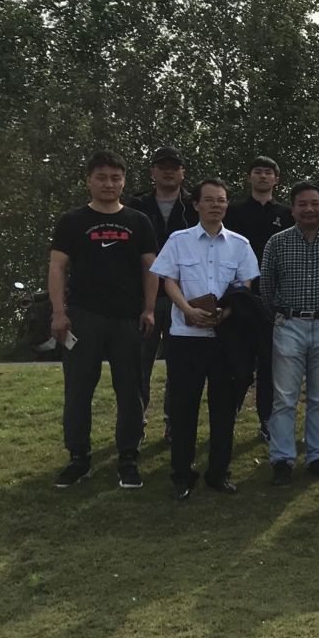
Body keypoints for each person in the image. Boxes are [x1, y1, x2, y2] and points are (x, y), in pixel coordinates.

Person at [48, 150, 158, 489]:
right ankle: (78, 458)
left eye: (115, 178)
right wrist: (58, 312)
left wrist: (149, 308)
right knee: (78, 389)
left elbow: (151, 268)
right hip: (83, 317)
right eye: (101, 178)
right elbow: (57, 267)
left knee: (130, 390)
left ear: (123, 182)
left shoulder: (139, 221)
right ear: (89, 181)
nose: (108, 184)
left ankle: (128, 458)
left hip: (128, 317)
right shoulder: (72, 221)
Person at [151, 177, 260, 499]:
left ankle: (218, 473)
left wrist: (226, 311)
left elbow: (244, 285)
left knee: (224, 409)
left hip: (224, 337)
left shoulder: (240, 244)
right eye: (209, 200)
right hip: (186, 337)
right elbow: (168, 280)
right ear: (196, 204)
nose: (216, 205)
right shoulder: (179, 240)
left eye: (221, 200)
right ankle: (182, 475)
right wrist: (186, 308)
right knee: (183, 407)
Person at [261, 182, 319, 485]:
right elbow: (267, 286)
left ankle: (318, 457)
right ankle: (282, 460)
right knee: (284, 398)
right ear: (292, 209)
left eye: (315, 203)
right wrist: (280, 316)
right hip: (289, 325)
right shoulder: (277, 242)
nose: (309, 209)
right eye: (302, 204)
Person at [225, 155, 294, 439]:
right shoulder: (233, 212)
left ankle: (267, 421)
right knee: (238, 366)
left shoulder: (287, 214)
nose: (263, 176)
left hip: (275, 300)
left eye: (268, 172)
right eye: (258, 171)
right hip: (241, 299)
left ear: (276, 179)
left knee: (270, 367)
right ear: (249, 177)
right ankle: (227, 418)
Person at [130, 145, 195, 437]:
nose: (169, 171)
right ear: (153, 171)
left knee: (179, 365)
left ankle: (173, 423)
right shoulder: (135, 206)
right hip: (143, 296)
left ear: (182, 172)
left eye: (174, 166)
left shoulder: (194, 205)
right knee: (138, 363)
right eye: (163, 166)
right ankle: (136, 421)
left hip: (183, 296)